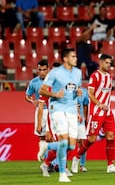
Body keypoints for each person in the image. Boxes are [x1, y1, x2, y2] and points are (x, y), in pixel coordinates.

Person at [72, 54, 115, 174]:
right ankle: (76, 157)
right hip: (96, 111)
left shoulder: (109, 77)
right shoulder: (95, 76)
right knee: (91, 139)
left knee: (111, 136)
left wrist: (105, 106)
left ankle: (110, 165)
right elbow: (90, 93)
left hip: (108, 112)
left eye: (110, 63)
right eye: (106, 62)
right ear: (100, 62)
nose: (108, 65)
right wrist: (100, 104)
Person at [38, 48, 82, 182]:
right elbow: (42, 90)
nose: (76, 59)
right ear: (66, 59)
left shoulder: (78, 73)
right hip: (57, 108)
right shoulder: (55, 73)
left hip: (72, 111)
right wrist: (55, 94)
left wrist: (77, 93)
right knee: (63, 141)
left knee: (71, 145)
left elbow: (73, 91)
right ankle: (62, 174)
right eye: (73, 56)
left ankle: (47, 146)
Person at [25, 59, 50, 161]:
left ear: (48, 69)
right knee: (42, 136)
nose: (41, 72)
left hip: (51, 110)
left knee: (50, 137)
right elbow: (27, 96)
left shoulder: (54, 81)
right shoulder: (34, 82)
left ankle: (50, 161)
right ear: (37, 70)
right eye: (39, 70)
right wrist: (32, 101)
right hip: (40, 111)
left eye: (44, 70)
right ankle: (46, 160)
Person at [76, 87, 89, 172]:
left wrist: (84, 119)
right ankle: (61, 165)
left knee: (83, 142)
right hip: (69, 120)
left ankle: (82, 165)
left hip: (80, 121)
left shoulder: (84, 91)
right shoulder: (65, 89)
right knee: (68, 143)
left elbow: (85, 106)